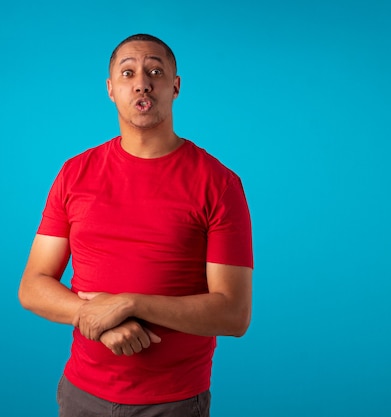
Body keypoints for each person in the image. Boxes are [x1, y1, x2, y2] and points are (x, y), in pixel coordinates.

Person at [18, 33, 253, 417]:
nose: (142, 81)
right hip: (80, 395)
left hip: (173, 402)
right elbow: (33, 285)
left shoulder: (220, 184)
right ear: (111, 89)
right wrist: (93, 318)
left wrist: (130, 303)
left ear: (175, 86)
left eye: (155, 71)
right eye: (128, 73)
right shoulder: (74, 173)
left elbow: (233, 313)